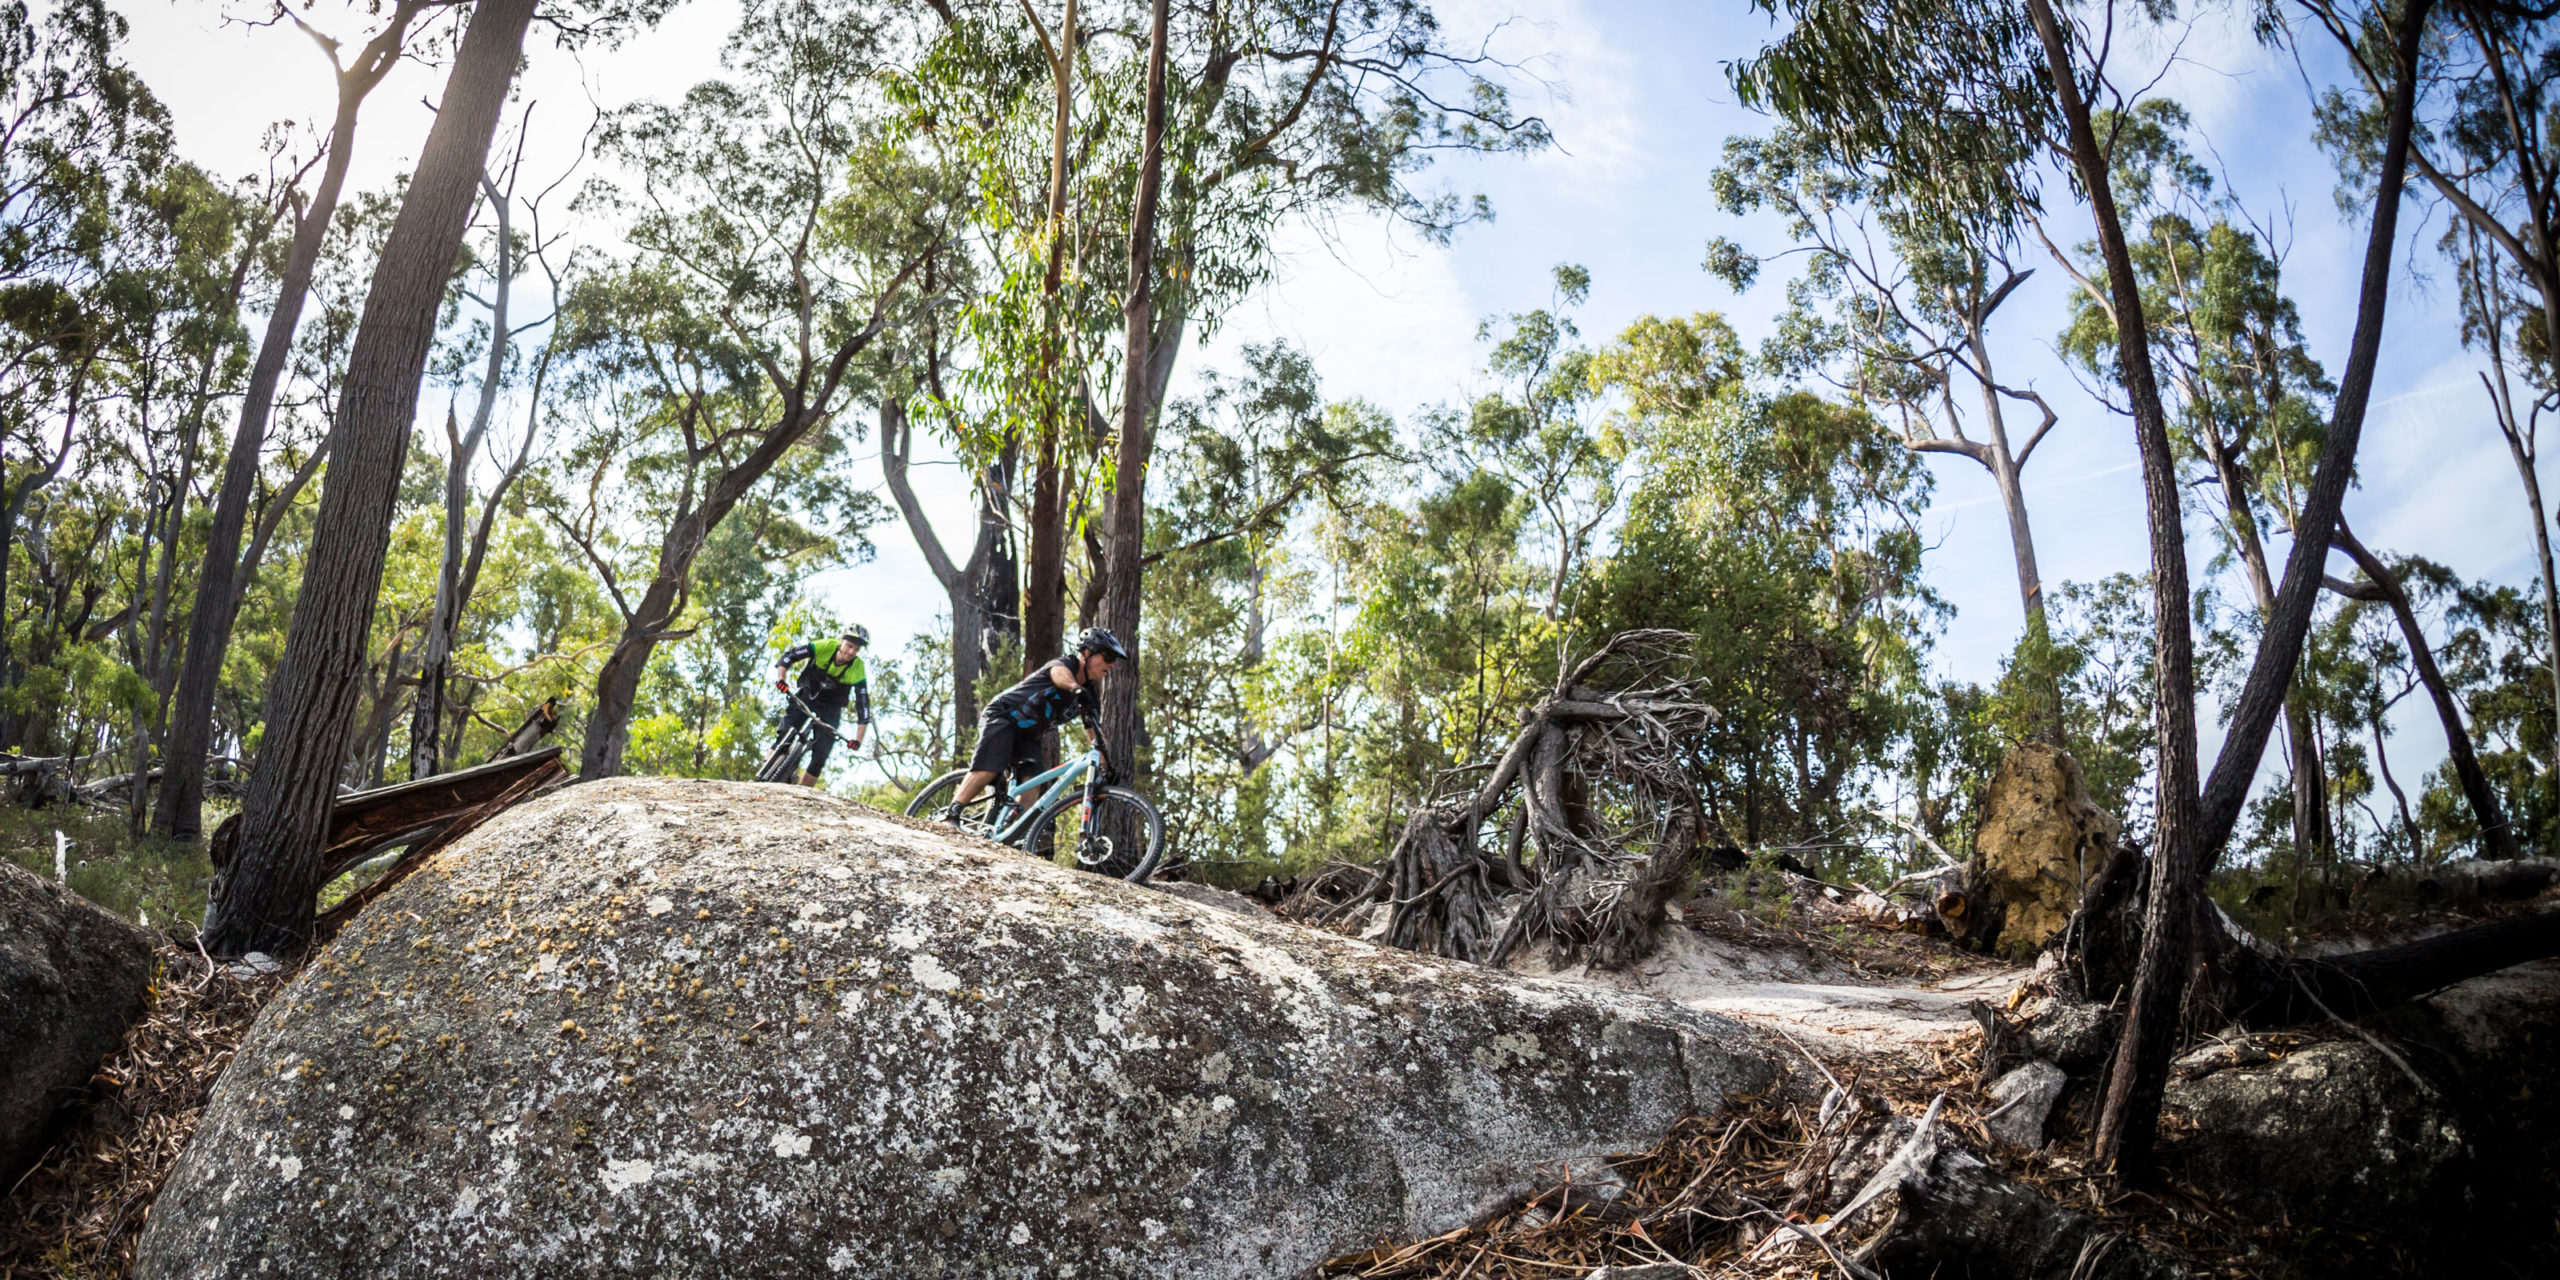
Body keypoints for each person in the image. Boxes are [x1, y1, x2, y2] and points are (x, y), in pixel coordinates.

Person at [945, 627, 1128, 819]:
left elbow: (1096, 736)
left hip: (1028, 736)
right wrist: (1075, 688)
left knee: (1032, 784)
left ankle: (1006, 832)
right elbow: (1058, 674)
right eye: (1108, 658)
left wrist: (1107, 766)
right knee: (989, 767)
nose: (1112, 665)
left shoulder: (1089, 696)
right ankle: (951, 814)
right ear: (1088, 652)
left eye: (1114, 661)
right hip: (1004, 715)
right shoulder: (1067, 665)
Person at [772, 624, 873, 787]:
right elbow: (789, 657)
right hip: (808, 695)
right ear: (842, 641)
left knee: (820, 756)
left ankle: (801, 795)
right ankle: (762, 778)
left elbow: (863, 708)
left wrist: (858, 740)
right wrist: (781, 679)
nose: (851, 652)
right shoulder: (825, 646)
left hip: (831, 708)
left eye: (856, 649)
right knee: (784, 734)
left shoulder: (858, 668)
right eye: (850, 646)